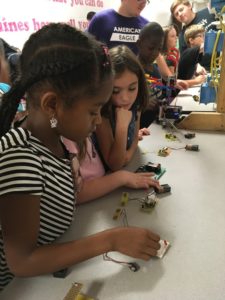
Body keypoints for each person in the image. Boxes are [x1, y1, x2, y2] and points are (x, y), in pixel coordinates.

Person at [0, 23, 161, 292]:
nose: (99, 120)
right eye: (93, 111)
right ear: (52, 105)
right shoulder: (20, 159)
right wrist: (111, 240)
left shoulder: (58, 141)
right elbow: (22, 262)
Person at [94, 44, 149, 171]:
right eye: (115, 90)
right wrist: (122, 127)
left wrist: (127, 156)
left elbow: (135, 140)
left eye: (132, 88)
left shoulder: (137, 103)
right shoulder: (101, 112)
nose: (125, 98)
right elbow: (114, 165)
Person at [62, 136, 160, 202]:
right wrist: (121, 177)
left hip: (104, 195)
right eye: (92, 113)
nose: (98, 120)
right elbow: (74, 194)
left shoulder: (77, 130)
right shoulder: (65, 141)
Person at [170, 0, 215, 70]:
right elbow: (185, 60)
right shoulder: (182, 36)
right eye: (176, 14)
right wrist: (196, 67)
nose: (180, 14)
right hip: (208, 70)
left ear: (189, 6)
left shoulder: (208, 12)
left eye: (181, 10)